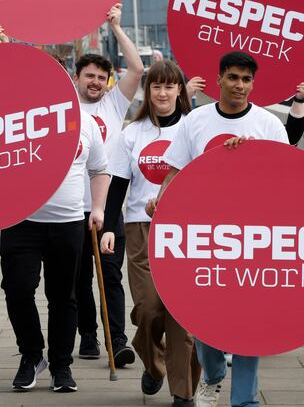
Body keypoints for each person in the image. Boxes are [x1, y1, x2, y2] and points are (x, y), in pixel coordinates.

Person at [148, 51, 289, 407]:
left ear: (253, 84)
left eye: (246, 79)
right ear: (219, 80)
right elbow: (176, 171)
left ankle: (245, 400)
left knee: (248, 323)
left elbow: (285, 179)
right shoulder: (195, 121)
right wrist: (161, 203)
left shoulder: (269, 124)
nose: (240, 85)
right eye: (233, 78)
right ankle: (212, 375)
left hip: (255, 237)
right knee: (205, 318)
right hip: (205, 236)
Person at [0, 28, 109, 393]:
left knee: (63, 297)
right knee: (18, 289)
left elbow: (99, 169)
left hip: (68, 222)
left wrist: (97, 209)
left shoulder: (84, 122)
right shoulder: (13, 115)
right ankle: (31, 354)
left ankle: (61, 365)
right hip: (21, 221)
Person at [99, 60, 200, 406]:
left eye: (170, 86)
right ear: (148, 91)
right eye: (156, 86)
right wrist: (109, 228)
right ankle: (154, 364)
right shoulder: (132, 133)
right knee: (149, 309)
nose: (163, 93)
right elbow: (117, 185)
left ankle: (183, 392)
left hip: (186, 231)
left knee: (182, 317)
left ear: (180, 91)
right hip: (140, 228)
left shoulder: (193, 128)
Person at [73, 3, 142, 366]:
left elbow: (138, 68)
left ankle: (117, 340)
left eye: (102, 77)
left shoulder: (114, 106)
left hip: (108, 206)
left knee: (110, 275)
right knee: (78, 278)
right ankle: (87, 334)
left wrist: (116, 26)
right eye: (90, 76)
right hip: (70, 205)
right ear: (77, 78)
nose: (96, 82)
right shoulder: (64, 106)